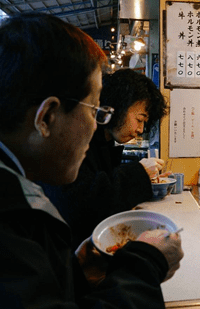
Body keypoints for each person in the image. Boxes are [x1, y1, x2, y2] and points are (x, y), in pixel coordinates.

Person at [0, 13, 183, 308]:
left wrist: (72, 273)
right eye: (94, 110)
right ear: (47, 117)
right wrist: (145, 263)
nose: (96, 126)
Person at [42, 68, 169, 246]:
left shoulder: (106, 142)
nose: (140, 129)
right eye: (140, 119)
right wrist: (139, 174)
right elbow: (80, 202)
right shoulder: (79, 136)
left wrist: (145, 177)